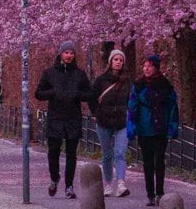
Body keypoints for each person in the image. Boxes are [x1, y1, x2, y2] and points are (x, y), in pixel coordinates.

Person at [35, 41, 92, 199]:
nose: (69, 56)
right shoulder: (50, 73)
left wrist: (77, 94)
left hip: (73, 117)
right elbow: (38, 93)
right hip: (56, 117)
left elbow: (89, 93)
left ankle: (69, 185)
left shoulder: (79, 74)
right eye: (66, 52)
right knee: (53, 151)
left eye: (72, 53)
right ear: (60, 54)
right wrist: (53, 92)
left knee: (71, 153)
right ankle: (54, 177)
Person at [127, 52, 179, 206]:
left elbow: (172, 107)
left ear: (156, 68)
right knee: (148, 161)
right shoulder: (138, 85)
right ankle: (150, 193)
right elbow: (132, 107)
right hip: (145, 127)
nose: (146, 69)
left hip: (160, 127)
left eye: (149, 66)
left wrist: (172, 126)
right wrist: (132, 125)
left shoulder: (165, 85)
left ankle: (160, 192)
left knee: (159, 161)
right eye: (144, 66)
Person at [90, 48, 132, 197]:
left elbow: (131, 100)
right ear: (110, 61)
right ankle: (107, 184)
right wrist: (96, 113)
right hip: (104, 120)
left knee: (120, 152)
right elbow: (92, 98)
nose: (118, 62)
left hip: (122, 121)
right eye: (116, 59)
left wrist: (130, 115)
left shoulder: (127, 81)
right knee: (107, 154)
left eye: (121, 60)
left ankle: (121, 183)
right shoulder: (101, 80)